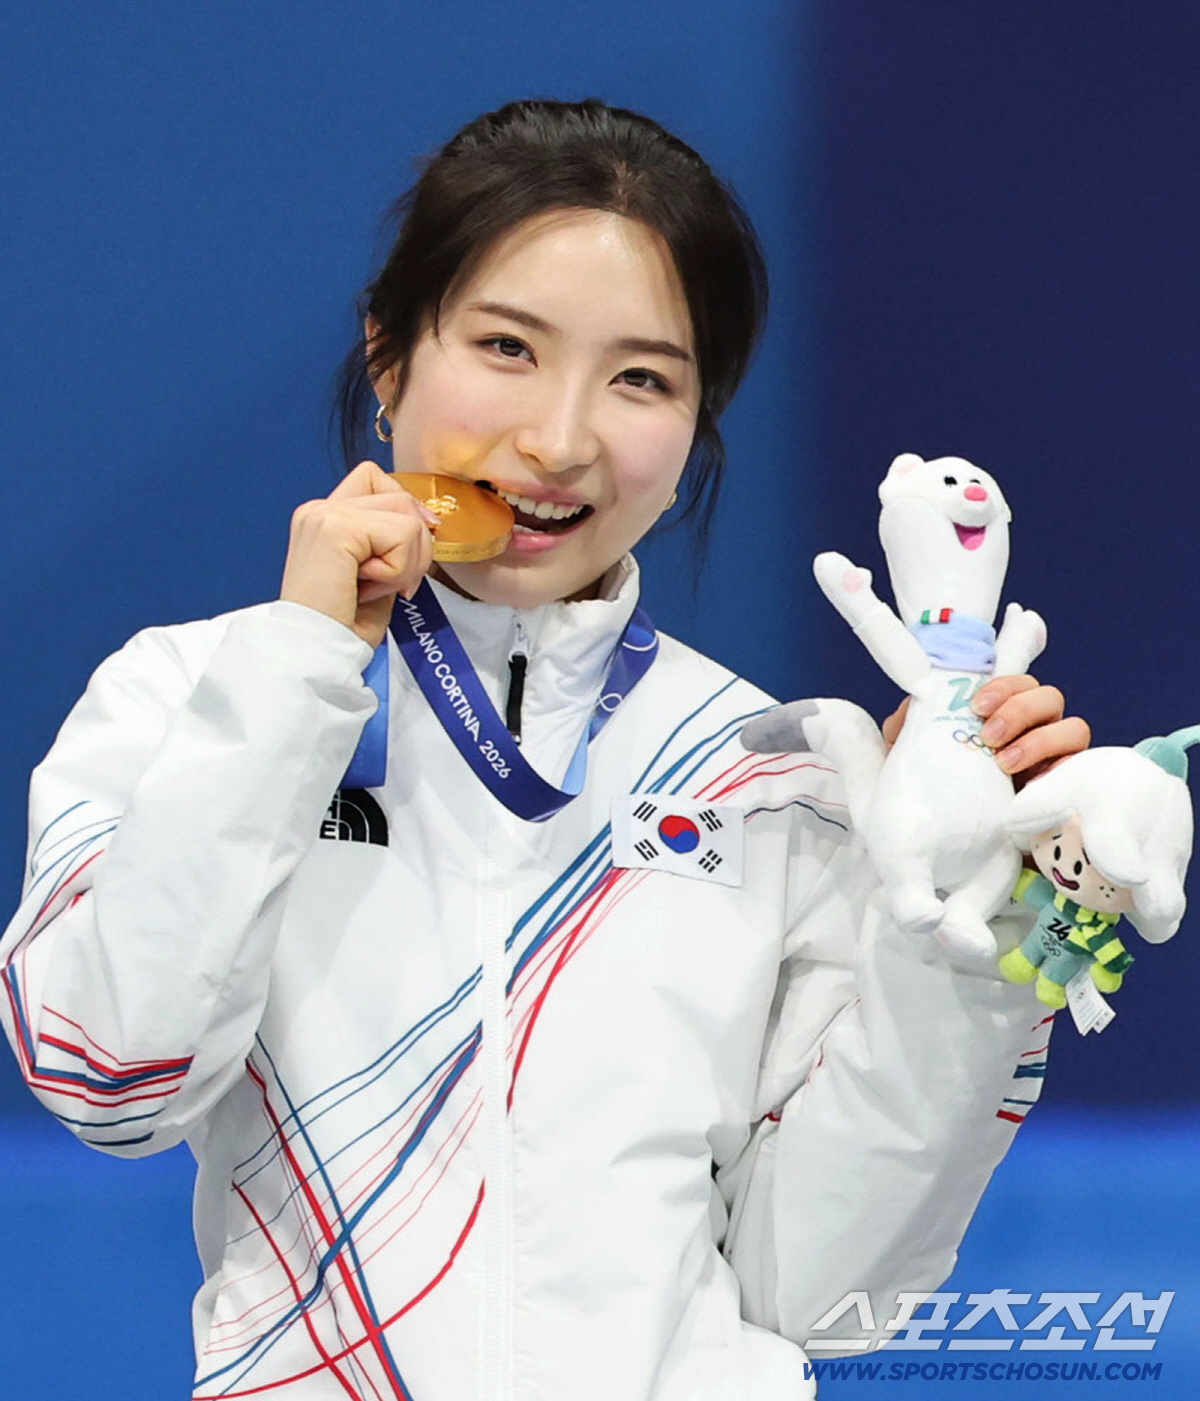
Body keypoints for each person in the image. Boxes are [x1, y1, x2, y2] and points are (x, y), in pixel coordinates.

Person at [0, 99, 1087, 1400]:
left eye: (642, 379)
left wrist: (961, 934)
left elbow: (818, 1292)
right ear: (388, 354)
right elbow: (110, 1079)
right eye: (507, 346)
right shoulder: (192, 696)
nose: (562, 440)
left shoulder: (769, 769)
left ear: (695, 427)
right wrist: (296, 677)